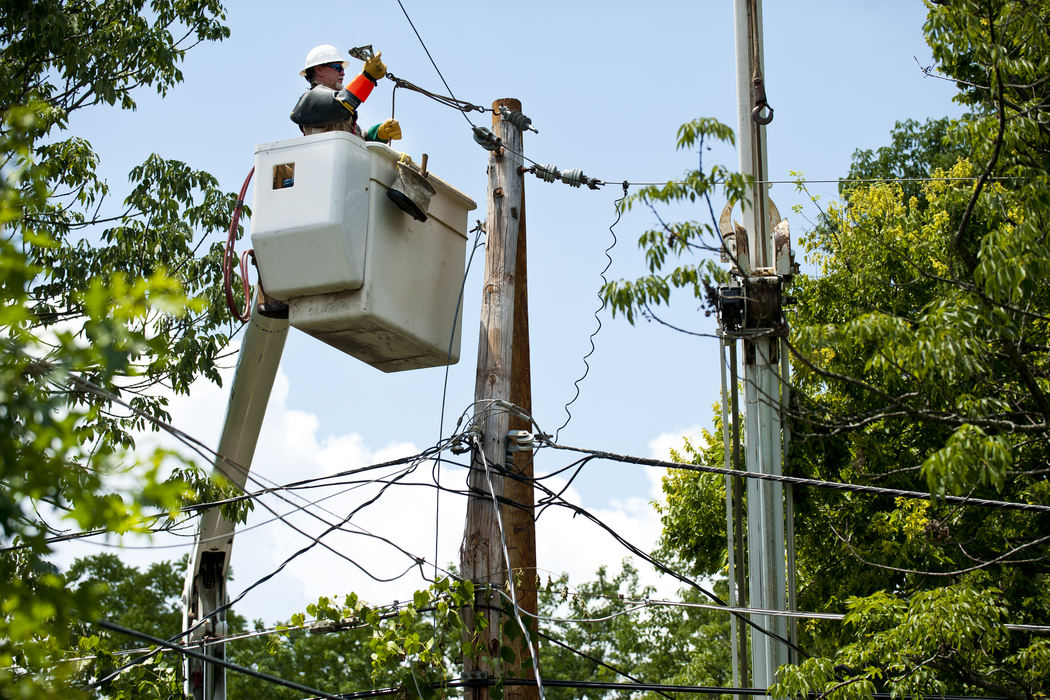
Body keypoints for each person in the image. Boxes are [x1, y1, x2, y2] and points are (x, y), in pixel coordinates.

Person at [290, 44, 402, 142]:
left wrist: (378, 134)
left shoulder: (338, 113)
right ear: (319, 70)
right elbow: (341, 104)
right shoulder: (311, 99)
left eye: (343, 69)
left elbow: (359, 141)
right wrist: (367, 78)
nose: (343, 73)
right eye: (337, 68)